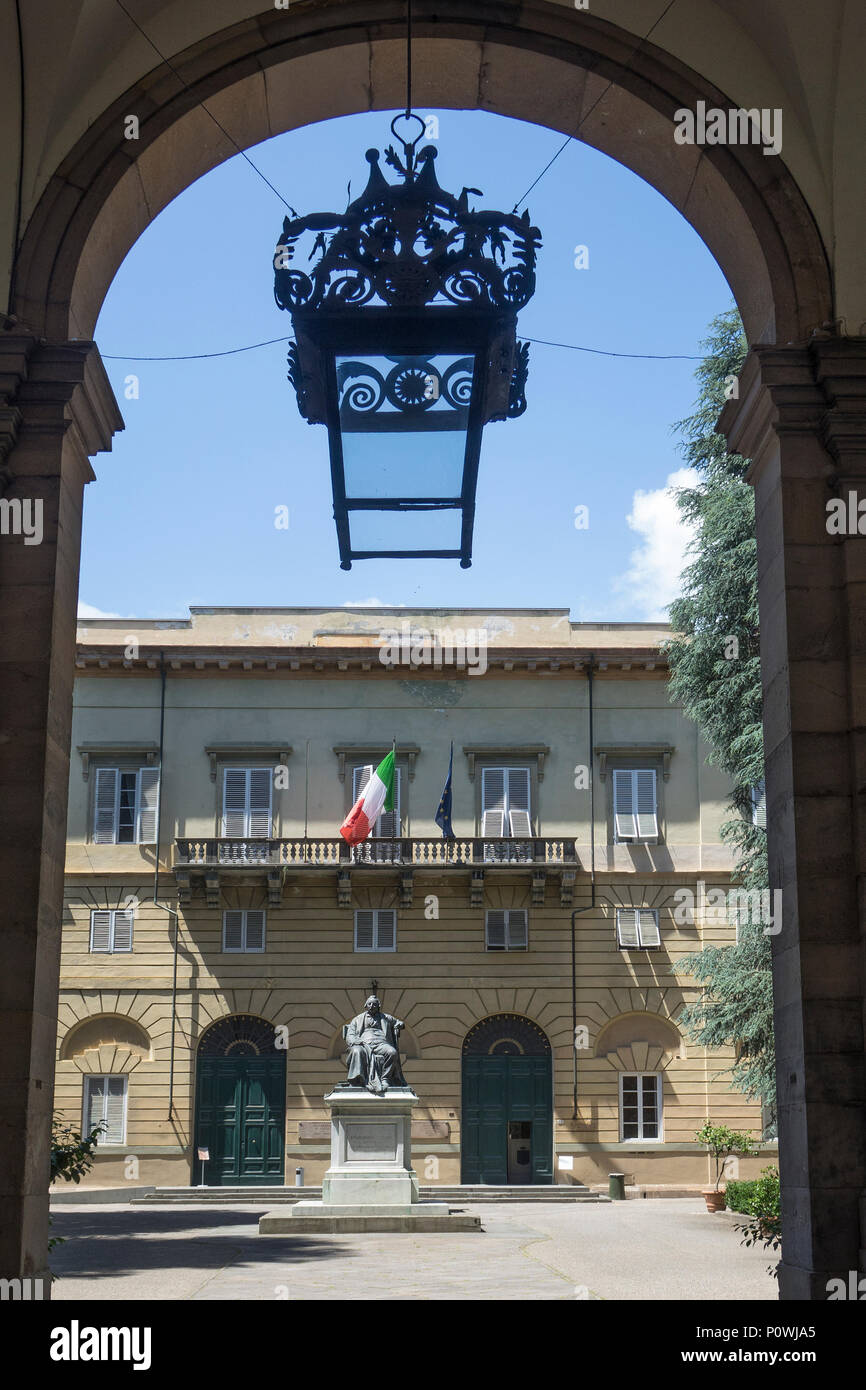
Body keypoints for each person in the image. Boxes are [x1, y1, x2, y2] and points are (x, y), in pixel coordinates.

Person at [343, 996, 409, 1093]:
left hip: (381, 1043)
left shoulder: (385, 1017)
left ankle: (385, 1079)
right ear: (366, 1005)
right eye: (369, 1004)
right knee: (357, 1051)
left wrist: (400, 1024)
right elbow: (350, 1035)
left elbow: (399, 1023)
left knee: (392, 1052)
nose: (371, 1006)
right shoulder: (357, 1019)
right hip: (364, 1044)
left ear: (378, 1006)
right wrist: (355, 1042)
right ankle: (358, 1080)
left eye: (374, 1004)